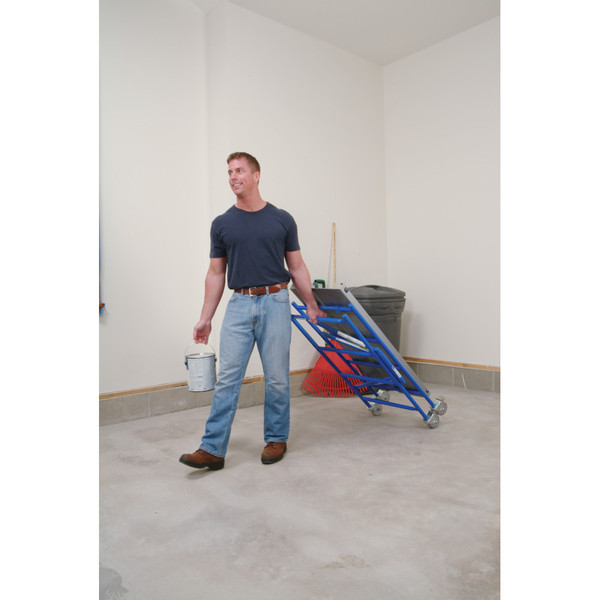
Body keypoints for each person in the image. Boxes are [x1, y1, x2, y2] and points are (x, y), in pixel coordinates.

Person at [179, 152, 326, 471]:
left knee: (276, 378)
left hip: (276, 301)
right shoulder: (222, 224)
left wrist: (311, 303)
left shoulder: (282, 219)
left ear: (256, 176)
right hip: (239, 303)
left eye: (240, 170)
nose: (233, 176)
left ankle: (276, 438)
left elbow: (297, 266)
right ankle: (212, 449)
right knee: (227, 379)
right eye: (229, 172)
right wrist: (205, 318)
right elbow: (215, 273)